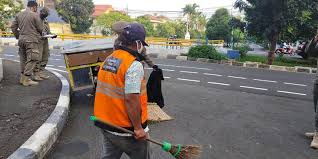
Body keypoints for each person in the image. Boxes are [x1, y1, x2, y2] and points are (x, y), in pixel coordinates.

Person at [94, 23, 151, 159]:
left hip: (106, 123)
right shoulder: (133, 65)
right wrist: (138, 128)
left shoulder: (110, 58)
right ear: (137, 43)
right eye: (141, 43)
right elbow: (131, 99)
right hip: (126, 129)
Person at [11, 0, 43, 86]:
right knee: (33, 58)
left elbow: (13, 27)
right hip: (31, 39)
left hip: (21, 40)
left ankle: (22, 78)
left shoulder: (18, 14)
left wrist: (18, 36)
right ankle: (27, 79)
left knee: (23, 59)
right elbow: (40, 29)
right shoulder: (35, 15)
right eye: (36, 8)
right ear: (34, 7)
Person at [35, 7, 53, 79]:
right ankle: (36, 74)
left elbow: (47, 30)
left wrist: (51, 34)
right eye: (45, 14)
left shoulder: (45, 20)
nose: (46, 16)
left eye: (47, 15)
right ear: (41, 12)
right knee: (38, 58)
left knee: (45, 56)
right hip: (38, 40)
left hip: (45, 40)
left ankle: (41, 72)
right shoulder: (36, 19)